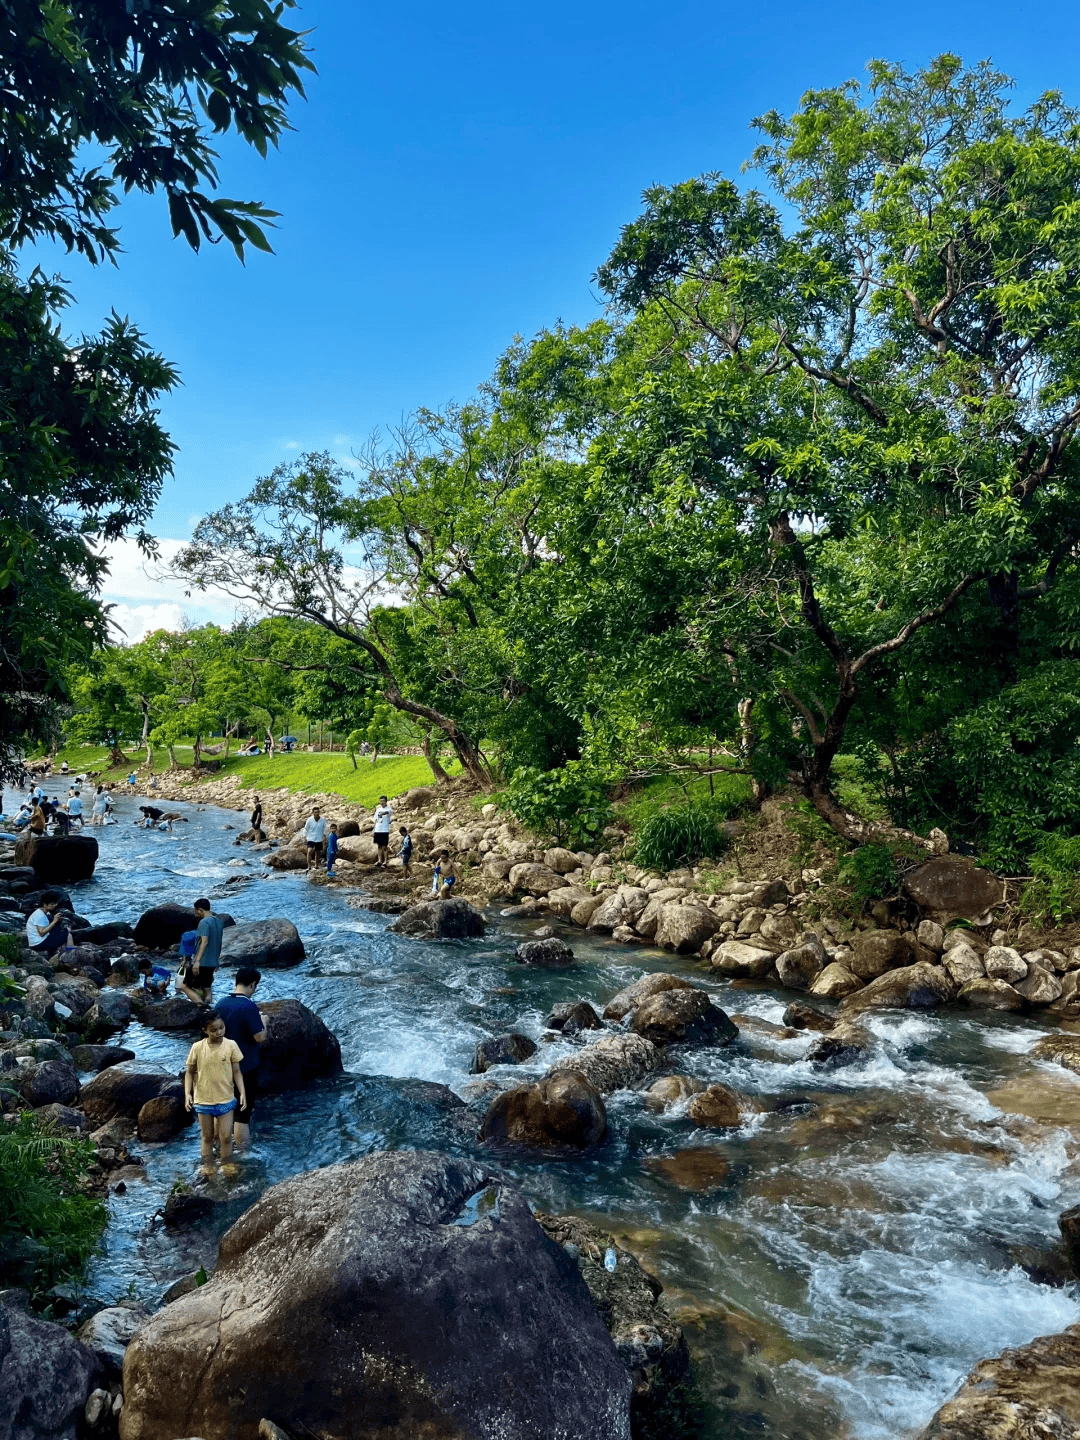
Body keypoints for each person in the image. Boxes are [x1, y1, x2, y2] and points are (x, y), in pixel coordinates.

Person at [214, 967, 267, 1147]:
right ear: (252, 984)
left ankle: (220, 1149)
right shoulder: (248, 1006)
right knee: (242, 1116)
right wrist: (264, 1022)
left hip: (220, 1066)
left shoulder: (220, 1003)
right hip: (244, 1068)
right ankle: (243, 1155)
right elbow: (259, 1037)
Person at [184, 1013, 245, 1168]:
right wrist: (187, 1094)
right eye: (214, 1030)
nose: (219, 1032)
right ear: (205, 1030)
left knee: (225, 1137)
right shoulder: (197, 1048)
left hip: (226, 1100)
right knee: (207, 1137)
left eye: (221, 1028)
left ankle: (227, 1165)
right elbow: (189, 1072)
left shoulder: (231, 1045)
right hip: (203, 1101)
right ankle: (208, 1167)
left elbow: (237, 1072)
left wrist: (242, 1092)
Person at [177, 898, 224, 1004]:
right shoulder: (219, 922)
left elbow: (204, 942)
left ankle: (201, 1006)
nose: (195, 913)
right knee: (206, 987)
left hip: (203, 961)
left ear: (200, 910)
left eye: (196, 911)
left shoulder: (204, 922)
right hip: (213, 961)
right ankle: (209, 1009)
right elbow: (219, 943)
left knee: (184, 986)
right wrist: (217, 961)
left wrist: (197, 961)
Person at [304, 806, 327, 871]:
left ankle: (316, 865)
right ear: (313, 813)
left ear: (319, 812)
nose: (316, 813)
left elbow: (324, 828)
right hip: (310, 838)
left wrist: (324, 836)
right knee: (309, 851)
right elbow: (306, 828)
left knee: (318, 852)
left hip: (319, 838)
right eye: (315, 812)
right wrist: (304, 837)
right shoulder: (309, 820)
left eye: (317, 812)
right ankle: (309, 866)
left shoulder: (322, 820)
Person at [373, 795, 392, 867]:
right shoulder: (378, 809)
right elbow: (376, 819)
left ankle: (385, 861)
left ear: (386, 801)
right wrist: (374, 828)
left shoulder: (389, 809)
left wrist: (383, 813)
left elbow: (388, 812)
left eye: (383, 801)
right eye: (381, 801)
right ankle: (379, 860)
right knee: (379, 846)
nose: (382, 803)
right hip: (378, 829)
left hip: (384, 829)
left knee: (384, 846)